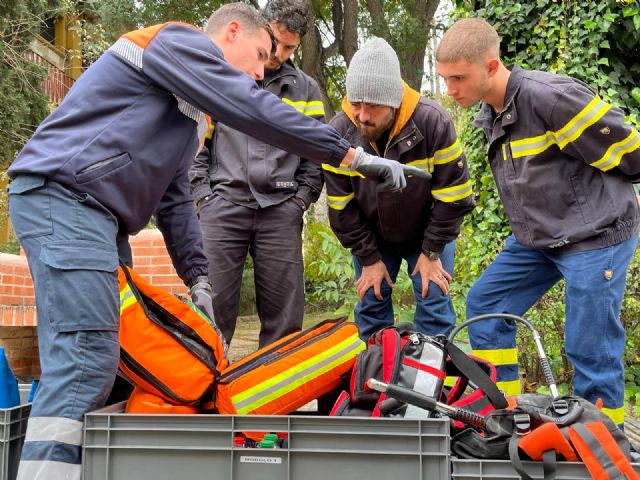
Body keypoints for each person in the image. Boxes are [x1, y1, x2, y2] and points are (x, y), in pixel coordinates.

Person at [7, 4, 428, 479]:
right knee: (86, 362)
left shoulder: (186, 117)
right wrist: (349, 153)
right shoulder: (174, 42)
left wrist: (198, 276)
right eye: (259, 55)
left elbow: (175, 200)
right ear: (231, 32)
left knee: (110, 365)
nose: (259, 72)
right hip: (67, 200)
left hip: (94, 216)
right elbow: (249, 107)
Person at [436, 18, 640, 426]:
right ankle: (505, 413)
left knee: (589, 344)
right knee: (487, 304)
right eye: (445, 78)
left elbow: (631, 152)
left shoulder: (551, 97)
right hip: (541, 239)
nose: (450, 89)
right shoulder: (491, 113)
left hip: (596, 236)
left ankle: (600, 439)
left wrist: (604, 198)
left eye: (458, 77)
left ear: (492, 66)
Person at [190, 0, 323, 348]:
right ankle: (205, 394)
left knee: (285, 318)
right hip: (223, 207)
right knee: (209, 311)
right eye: (275, 42)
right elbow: (195, 145)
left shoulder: (306, 90)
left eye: (290, 47)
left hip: (281, 210)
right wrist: (204, 196)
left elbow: (316, 155)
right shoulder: (222, 77)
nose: (278, 53)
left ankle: (276, 397)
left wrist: (301, 200)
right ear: (263, 29)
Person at [324, 37, 475, 341]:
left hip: (428, 231)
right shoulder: (339, 132)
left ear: (393, 100)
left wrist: (431, 252)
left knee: (433, 296)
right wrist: (368, 258)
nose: (362, 116)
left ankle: (433, 380)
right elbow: (341, 208)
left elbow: (454, 196)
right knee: (371, 299)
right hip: (372, 234)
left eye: (373, 106)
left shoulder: (433, 123)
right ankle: (376, 378)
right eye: (356, 104)